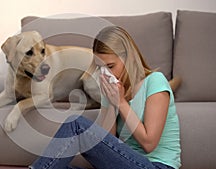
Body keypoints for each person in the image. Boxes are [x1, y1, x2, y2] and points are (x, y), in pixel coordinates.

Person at [29, 26, 181, 169]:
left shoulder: (155, 81)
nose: (106, 74)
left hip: (156, 166)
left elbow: (149, 143)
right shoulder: (111, 89)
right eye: (100, 67)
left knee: (76, 124)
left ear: (128, 59)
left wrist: (121, 103)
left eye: (110, 66)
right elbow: (107, 144)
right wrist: (111, 102)